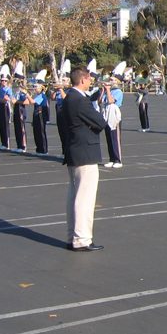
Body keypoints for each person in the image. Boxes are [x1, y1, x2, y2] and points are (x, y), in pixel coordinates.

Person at [62, 66, 108, 252]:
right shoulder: (81, 101)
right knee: (84, 198)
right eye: (89, 79)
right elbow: (100, 122)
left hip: (74, 150)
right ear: (82, 80)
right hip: (85, 152)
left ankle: (71, 235)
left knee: (74, 196)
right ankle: (82, 238)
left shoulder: (68, 98)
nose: (90, 82)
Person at [102, 74, 124, 167]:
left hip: (114, 113)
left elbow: (111, 100)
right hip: (106, 112)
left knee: (115, 137)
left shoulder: (118, 92)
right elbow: (101, 101)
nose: (109, 81)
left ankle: (118, 160)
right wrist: (103, 90)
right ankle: (111, 158)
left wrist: (107, 90)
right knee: (108, 137)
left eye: (112, 80)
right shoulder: (108, 91)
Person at [30, 79, 50, 156]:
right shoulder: (38, 95)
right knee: (36, 132)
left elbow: (32, 102)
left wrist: (27, 94)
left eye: (37, 87)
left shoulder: (42, 95)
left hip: (41, 114)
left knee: (41, 132)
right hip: (36, 113)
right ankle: (39, 149)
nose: (35, 88)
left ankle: (44, 150)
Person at [0, 67, 13, 150]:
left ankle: (6, 143)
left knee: (5, 125)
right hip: (0, 106)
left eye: (5, 81)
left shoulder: (8, 90)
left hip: (5, 107)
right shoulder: (0, 89)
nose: (3, 82)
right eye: (2, 80)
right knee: (1, 125)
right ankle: (3, 143)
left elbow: (7, 101)